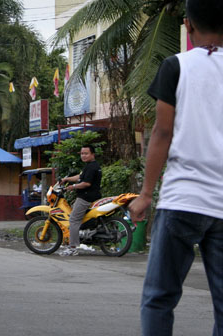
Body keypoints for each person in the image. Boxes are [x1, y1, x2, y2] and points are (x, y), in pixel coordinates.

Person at [129, 1, 223, 334]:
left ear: (188, 25)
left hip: (183, 199)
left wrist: (145, 194)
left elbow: (162, 132)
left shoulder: (176, 66)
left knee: (159, 298)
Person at [59, 145, 102, 256]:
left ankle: (73, 248)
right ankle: (82, 235)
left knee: (73, 220)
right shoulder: (91, 166)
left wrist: (72, 187)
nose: (83, 155)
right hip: (90, 196)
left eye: (86, 153)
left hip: (85, 197)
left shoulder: (92, 167)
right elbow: (80, 177)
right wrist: (66, 179)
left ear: (93, 154)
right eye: (82, 153)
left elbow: (86, 183)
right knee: (77, 218)